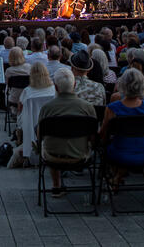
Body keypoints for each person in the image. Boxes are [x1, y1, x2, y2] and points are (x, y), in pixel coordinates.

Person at [37, 69, 95, 197]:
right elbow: (93, 137)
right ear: (74, 85)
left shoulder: (47, 108)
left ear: (56, 87)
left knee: (50, 143)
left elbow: (39, 136)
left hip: (53, 155)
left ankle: (56, 185)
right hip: (80, 154)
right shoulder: (87, 107)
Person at [100, 68, 144, 190]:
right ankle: (118, 176)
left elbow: (103, 134)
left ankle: (116, 176)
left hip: (119, 152)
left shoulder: (113, 108)